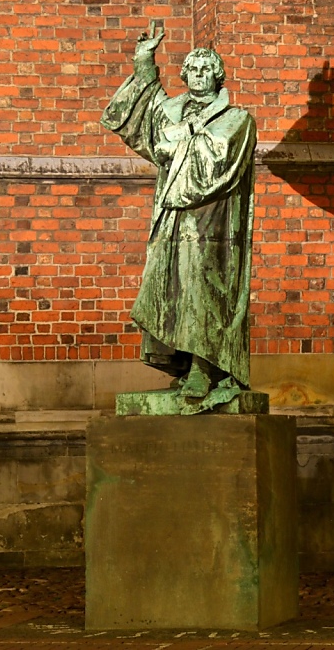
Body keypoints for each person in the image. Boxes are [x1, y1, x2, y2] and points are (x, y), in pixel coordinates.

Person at [100, 24, 258, 405]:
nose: (200, 76)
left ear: (218, 76)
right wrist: (144, 62)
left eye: (207, 70)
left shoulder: (237, 118)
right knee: (171, 286)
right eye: (193, 70)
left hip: (212, 219)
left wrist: (179, 136)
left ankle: (207, 368)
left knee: (204, 287)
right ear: (184, 75)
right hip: (173, 216)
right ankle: (185, 364)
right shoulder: (173, 110)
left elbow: (213, 157)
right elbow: (146, 126)